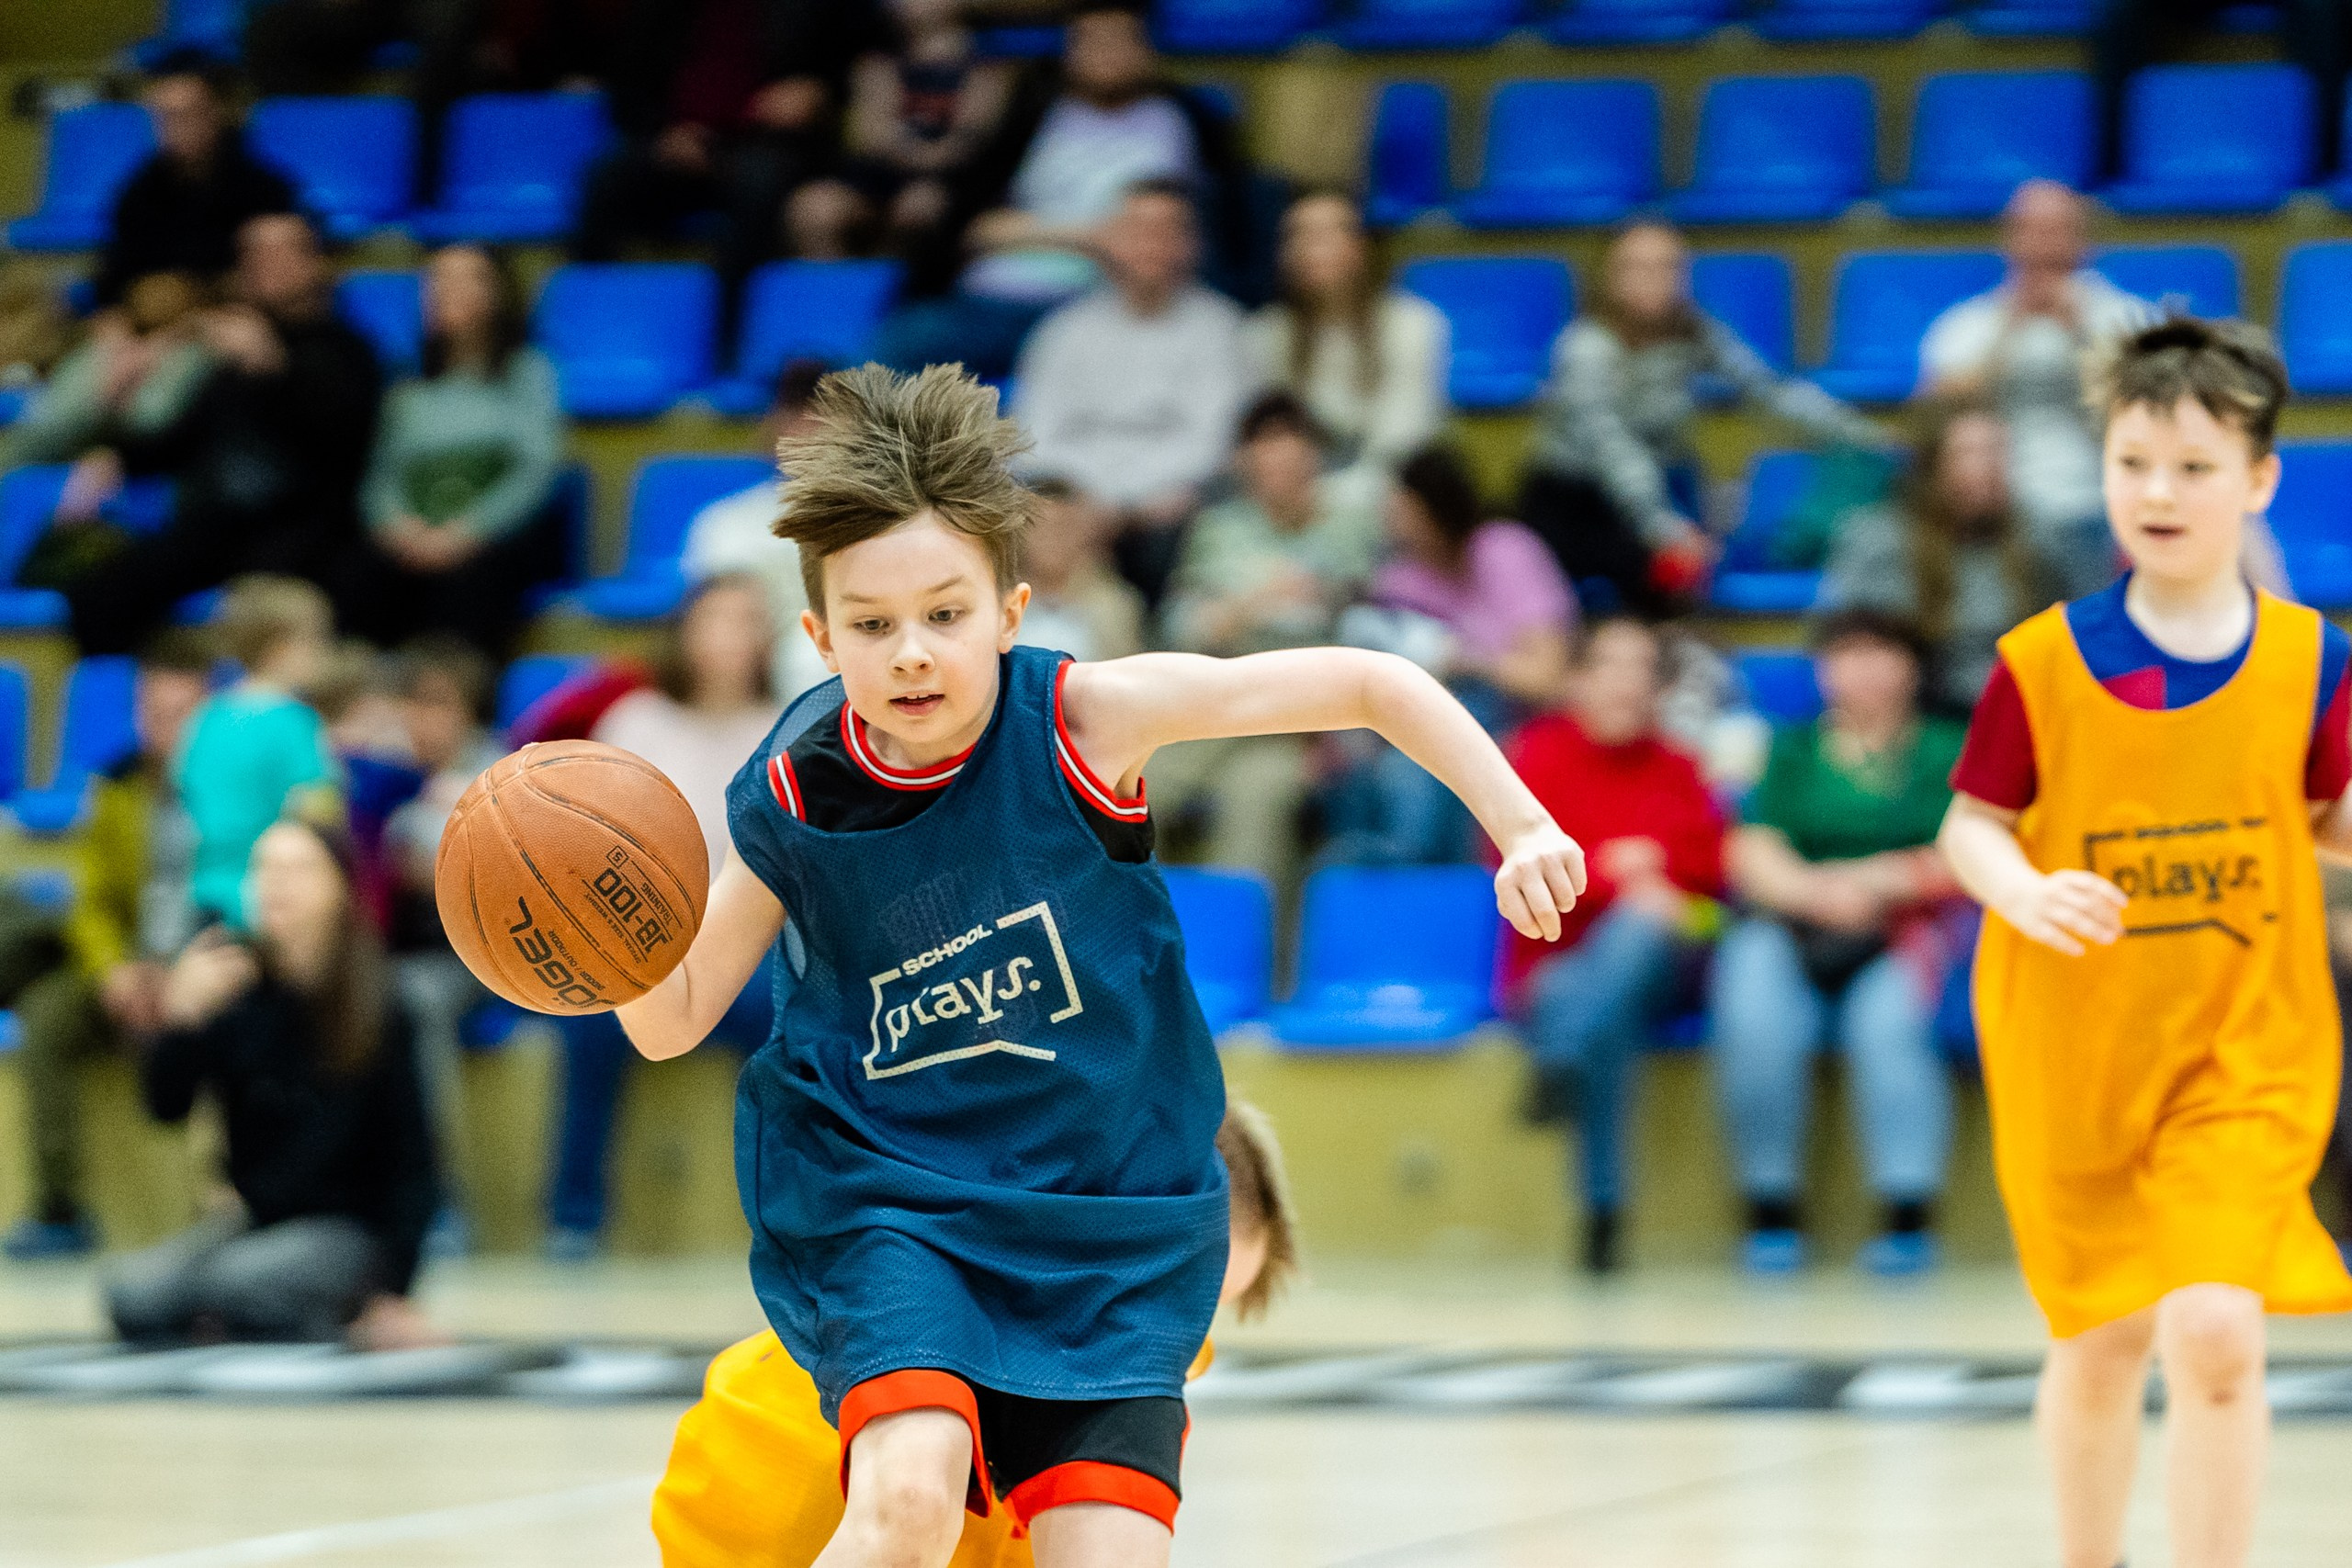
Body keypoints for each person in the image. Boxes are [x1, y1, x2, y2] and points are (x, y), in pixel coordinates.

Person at [610, 363, 1586, 1566]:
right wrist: (609, 945)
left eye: (946, 613)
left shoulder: (1083, 721)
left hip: (1108, 1212)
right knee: (906, 1499)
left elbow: (1370, 680)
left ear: (1012, 611)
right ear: (818, 635)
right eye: (871, 624)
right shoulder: (797, 788)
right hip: (896, 1199)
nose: (912, 651)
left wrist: (1524, 820)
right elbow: (672, 1018)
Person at [1939, 318, 2352, 1568]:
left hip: (2244, 1045)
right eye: (2133, 462)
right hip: (2079, 1049)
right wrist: (2018, 890)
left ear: (2260, 479)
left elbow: (2330, 818)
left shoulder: (2312, 662)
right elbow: (1969, 825)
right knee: (2104, 1336)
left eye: (2192, 465)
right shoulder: (2045, 662)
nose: (2158, 492)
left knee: (2219, 1327)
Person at [650, 1100, 1298, 1568]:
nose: (1183, 1333)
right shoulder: (963, 1285)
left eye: (1207, 1310)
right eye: (1175, 1293)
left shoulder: (1144, 1351)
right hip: (765, 1511)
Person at [102, 818, 442, 1350]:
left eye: (299, 869)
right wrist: (180, 1021)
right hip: (258, 1224)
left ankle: (286, 1313)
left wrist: (396, 1292)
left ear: (340, 890)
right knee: (130, 1296)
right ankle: (238, 1318)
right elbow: (165, 1108)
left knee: (239, 1285)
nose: (277, 883)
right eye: (264, 868)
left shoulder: (381, 1003)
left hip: (347, 1231)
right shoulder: (234, 989)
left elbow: (416, 1162)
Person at [1710, 608, 1968, 1278]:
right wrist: (1815, 893)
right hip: (1793, 921)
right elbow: (1751, 849)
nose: (1866, 671)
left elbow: (1969, 847)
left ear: (1913, 668)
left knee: (1892, 1024)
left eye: (1883, 653)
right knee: (1753, 1008)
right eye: (1848, 654)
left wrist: (1876, 884)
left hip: (1906, 925)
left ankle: (1906, 1212)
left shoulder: (1946, 747)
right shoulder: (1789, 749)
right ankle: (1771, 1208)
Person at [548, 575, 786, 1258]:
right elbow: (587, 840)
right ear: (685, 631)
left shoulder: (784, 726)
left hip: (746, 941)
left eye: (745, 621)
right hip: (639, 937)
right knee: (589, 1026)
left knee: (788, 1023)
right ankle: (575, 1219)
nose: (729, 637)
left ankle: (786, 1216)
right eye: (715, 620)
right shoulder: (638, 719)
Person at [1521, 220, 1889, 615]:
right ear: (1610, 277)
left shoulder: (1694, 330)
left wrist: (1861, 432)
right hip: (1577, 501)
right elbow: (1613, 448)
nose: (1656, 279)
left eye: (1669, 266)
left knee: (1699, 563)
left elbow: (1768, 389)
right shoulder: (1585, 348)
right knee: (1656, 575)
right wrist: (1663, 527)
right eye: (1638, 268)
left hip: (1661, 481)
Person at [1505, 616, 1724, 1275]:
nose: (1627, 682)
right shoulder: (1535, 756)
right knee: (1603, 1018)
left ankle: (1558, 1058)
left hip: (1663, 960)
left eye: (1642, 667)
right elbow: (1506, 861)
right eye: (1611, 664)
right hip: (1554, 968)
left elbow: (1714, 876)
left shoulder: (1680, 765)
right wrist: (1614, 872)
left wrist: (1652, 895)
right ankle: (1603, 1217)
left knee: (1639, 928)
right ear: (1577, 677)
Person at [871, 0, 1248, 381]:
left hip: (1112, 304)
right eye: (1091, 42)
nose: (1106, 55)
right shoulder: (1033, 116)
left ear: (1146, 50)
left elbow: (1213, 228)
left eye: (1120, 41)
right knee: (892, 348)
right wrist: (1091, 237)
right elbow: (973, 226)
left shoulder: (1185, 120)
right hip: (997, 299)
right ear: (1068, 52)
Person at [66, 212, 385, 656]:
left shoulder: (348, 352)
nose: (261, 263)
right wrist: (114, 452)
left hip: (305, 530)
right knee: (99, 593)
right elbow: (177, 441)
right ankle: (155, 710)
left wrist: (276, 371)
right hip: (216, 527)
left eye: (278, 251)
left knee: (280, 602)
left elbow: (345, 445)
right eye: (251, 252)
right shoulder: (228, 359)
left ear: (315, 264)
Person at [0, 633, 212, 1262]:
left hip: (202, 964)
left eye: (178, 715)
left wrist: (182, 972)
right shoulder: (116, 786)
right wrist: (113, 971)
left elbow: (234, 891)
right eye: (152, 713)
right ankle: (60, 1209)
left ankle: (220, 1202)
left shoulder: (226, 791)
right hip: (127, 966)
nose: (161, 729)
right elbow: (91, 902)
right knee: (47, 1013)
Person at [1155, 392, 1383, 887]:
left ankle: (1234, 961)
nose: (1281, 480)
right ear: (1245, 468)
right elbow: (1181, 626)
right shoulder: (1219, 529)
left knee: (1253, 814)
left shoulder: (1353, 529)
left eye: (1295, 466)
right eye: (1267, 468)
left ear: (1315, 462)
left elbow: (1372, 629)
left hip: (1297, 722)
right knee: (1136, 787)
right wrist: (1251, 603)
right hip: (1216, 705)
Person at [1320, 444, 1575, 865]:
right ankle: (1358, 882)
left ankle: (1423, 881)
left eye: (1402, 506)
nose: (1391, 517)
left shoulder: (1507, 550)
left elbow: (1547, 678)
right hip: (1415, 719)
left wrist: (1462, 658)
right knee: (1349, 755)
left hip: (1512, 716)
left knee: (1419, 768)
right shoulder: (1399, 578)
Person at [572, 0, 898, 325]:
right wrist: (662, 132)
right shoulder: (660, 9)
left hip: (764, 142)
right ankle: (595, 322)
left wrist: (820, 89)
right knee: (602, 178)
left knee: (759, 182)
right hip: (675, 141)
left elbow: (862, 45)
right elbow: (629, 81)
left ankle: (728, 330)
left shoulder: (811, 9)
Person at [1011, 178, 1251, 605]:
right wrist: (1084, 503)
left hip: (1171, 508)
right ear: (1110, 239)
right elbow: (1034, 435)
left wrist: (1128, 507)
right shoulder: (1064, 331)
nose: (1150, 244)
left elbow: (1214, 443)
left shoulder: (1221, 330)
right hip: (1075, 506)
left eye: (1165, 231)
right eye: (1136, 229)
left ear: (1190, 245)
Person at [1918, 182, 2154, 600]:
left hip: (2104, 502)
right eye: (2032, 230)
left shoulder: (2127, 319)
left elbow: (2152, 420)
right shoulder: (1967, 326)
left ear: (2083, 241)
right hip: (2000, 512)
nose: (2044, 245)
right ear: (2009, 239)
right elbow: (1934, 422)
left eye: (2057, 230)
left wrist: (2079, 337)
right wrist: (2005, 340)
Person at [355, 244, 568, 652]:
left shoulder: (529, 372)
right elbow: (381, 475)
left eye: (465, 279)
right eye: (437, 281)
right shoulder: (406, 384)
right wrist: (397, 528)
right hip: (414, 535)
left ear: (498, 293)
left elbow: (537, 471)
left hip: (491, 538)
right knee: (361, 576)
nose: (447, 291)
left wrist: (469, 533)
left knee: (473, 584)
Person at [1820, 400, 2064, 713]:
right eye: (1968, 453)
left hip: (2017, 714)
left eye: (1996, 451)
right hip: (1911, 724)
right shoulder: (1876, 542)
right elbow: (1843, 649)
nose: (1986, 466)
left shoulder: (2039, 537)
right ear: (1932, 463)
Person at [379, 635, 502, 1228]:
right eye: (413, 703)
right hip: (390, 951)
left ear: (468, 710)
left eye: (439, 703)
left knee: (411, 1000)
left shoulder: (500, 775)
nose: (423, 719)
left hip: (479, 956)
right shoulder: (385, 772)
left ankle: (438, 1197)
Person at [787, 0, 1017, 265]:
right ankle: (834, 295)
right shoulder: (875, 64)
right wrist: (916, 150)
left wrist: (910, 149)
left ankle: (892, 290)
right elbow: (869, 140)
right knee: (815, 207)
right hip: (876, 178)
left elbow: (971, 141)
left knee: (919, 206)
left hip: (952, 185)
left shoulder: (990, 69)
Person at [176, 576, 344, 927]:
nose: (325, 653)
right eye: (317, 641)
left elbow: (183, 792)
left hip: (201, 895)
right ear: (282, 647)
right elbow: (320, 812)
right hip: (269, 903)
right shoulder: (294, 721)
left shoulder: (207, 716)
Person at [1243, 189, 1449, 473]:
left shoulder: (1415, 325)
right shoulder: (1262, 335)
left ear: (1359, 248)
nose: (1306, 250)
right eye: (1296, 236)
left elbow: (1405, 439)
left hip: (1387, 490)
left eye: (1323, 235)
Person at [92, 56, 298, 309]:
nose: (175, 128)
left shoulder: (266, 189)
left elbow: (284, 284)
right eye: (165, 117)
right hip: (161, 323)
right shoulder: (138, 194)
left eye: (187, 114)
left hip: (245, 316)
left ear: (217, 113)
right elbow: (118, 278)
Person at [683, 359, 831, 700]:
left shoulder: (882, 528)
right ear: (770, 423)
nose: (806, 430)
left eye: (821, 415)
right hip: (743, 697)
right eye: (794, 413)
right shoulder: (722, 524)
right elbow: (711, 633)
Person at [1012, 478, 1144, 665]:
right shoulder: (997, 601)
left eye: (1063, 528)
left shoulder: (1116, 606)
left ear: (1083, 533)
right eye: (1041, 528)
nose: (1052, 539)